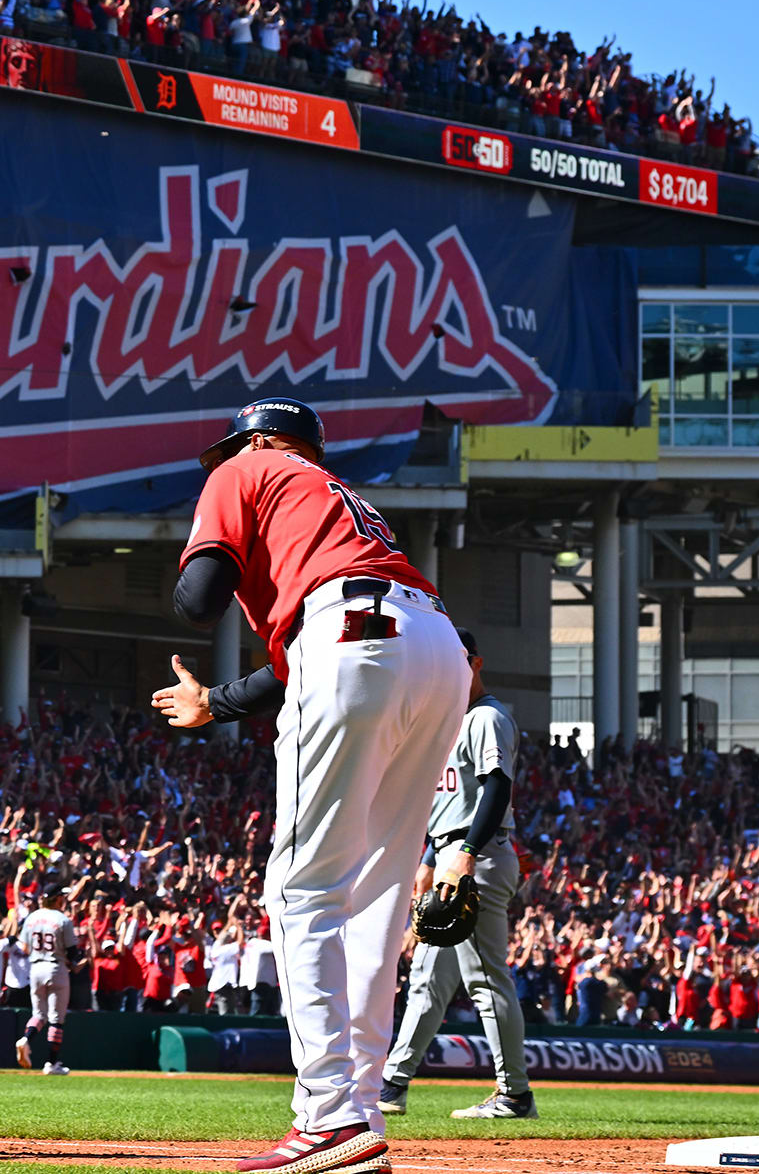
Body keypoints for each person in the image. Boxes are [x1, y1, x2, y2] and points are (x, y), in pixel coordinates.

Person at [152, 398, 465, 1174]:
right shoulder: (339, 500)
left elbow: (198, 603)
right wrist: (214, 704)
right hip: (437, 647)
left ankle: (326, 1117)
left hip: (353, 635)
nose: (225, 458)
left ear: (260, 439)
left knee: (302, 891)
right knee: (376, 898)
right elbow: (297, 659)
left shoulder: (249, 466)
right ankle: (354, 1116)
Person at [380, 628, 535, 1121]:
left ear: (475, 663)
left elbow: (496, 791)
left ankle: (515, 1095)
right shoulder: (447, 720)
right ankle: (392, 1085)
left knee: (486, 979)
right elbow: (447, 800)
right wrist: (429, 857)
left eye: (458, 661)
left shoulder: (487, 717)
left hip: (478, 855)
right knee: (427, 978)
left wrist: (464, 853)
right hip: (449, 853)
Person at [16, 883, 78, 1075]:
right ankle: (51, 1063)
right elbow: (73, 951)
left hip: (35, 968)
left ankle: (26, 1039)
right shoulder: (62, 919)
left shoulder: (32, 918)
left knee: (39, 1015)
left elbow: (24, 947)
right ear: (57, 898)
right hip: (55, 967)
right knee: (56, 1019)